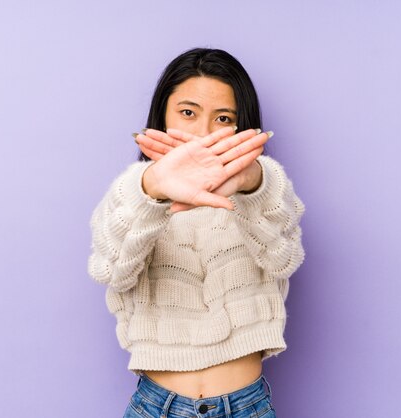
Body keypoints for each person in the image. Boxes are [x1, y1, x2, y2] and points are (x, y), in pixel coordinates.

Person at [88, 48, 305, 418]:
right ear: (162, 114)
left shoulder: (266, 186)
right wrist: (152, 187)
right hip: (157, 407)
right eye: (187, 113)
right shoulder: (132, 190)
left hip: (246, 406)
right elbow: (111, 271)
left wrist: (250, 181)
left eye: (223, 118)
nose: (202, 134)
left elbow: (284, 258)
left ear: (242, 127)